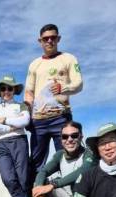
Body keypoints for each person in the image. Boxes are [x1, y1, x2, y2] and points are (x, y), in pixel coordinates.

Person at [24, 24, 83, 183]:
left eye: (53, 37)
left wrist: (64, 87)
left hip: (61, 118)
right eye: (45, 38)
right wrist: (27, 114)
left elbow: (79, 84)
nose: (49, 41)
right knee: (36, 162)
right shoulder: (34, 64)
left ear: (58, 38)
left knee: (69, 157)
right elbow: (29, 92)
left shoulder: (68, 58)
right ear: (40, 41)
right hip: (38, 120)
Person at [32, 121, 97, 197]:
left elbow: (82, 172)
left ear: (81, 136)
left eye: (74, 135)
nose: (70, 139)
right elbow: (43, 172)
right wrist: (38, 191)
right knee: (42, 184)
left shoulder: (90, 154)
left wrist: (53, 185)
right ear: (61, 139)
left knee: (50, 185)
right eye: (65, 136)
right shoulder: (60, 155)